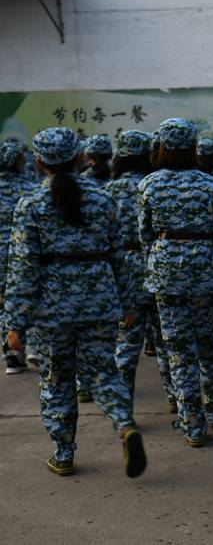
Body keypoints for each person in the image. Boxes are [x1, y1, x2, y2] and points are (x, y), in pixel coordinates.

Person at [4, 127, 146, 477]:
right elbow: (119, 258)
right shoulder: (102, 199)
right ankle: (124, 423)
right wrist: (128, 304)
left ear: (38, 162)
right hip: (99, 297)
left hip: (52, 307)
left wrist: (15, 323)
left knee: (57, 378)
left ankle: (63, 453)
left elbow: (23, 266)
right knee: (102, 370)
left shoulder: (32, 205)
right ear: (79, 157)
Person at [138, 118, 213, 445]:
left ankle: (192, 425)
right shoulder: (210, 185)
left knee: (177, 350)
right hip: (204, 269)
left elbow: (145, 234)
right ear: (192, 147)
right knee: (208, 347)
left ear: (162, 147)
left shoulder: (149, 184)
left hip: (166, 274)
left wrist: (160, 259)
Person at [106, 130, 176, 413]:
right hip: (158, 263)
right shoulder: (155, 184)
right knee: (165, 339)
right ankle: (174, 398)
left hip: (126, 266)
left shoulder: (108, 190)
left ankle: (123, 407)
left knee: (127, 342)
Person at [0, 138, 37, 374]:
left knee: (4, 303)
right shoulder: (31, 190)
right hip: (24, 253)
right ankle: (34, 345)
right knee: (31, 295)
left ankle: (12, 354)